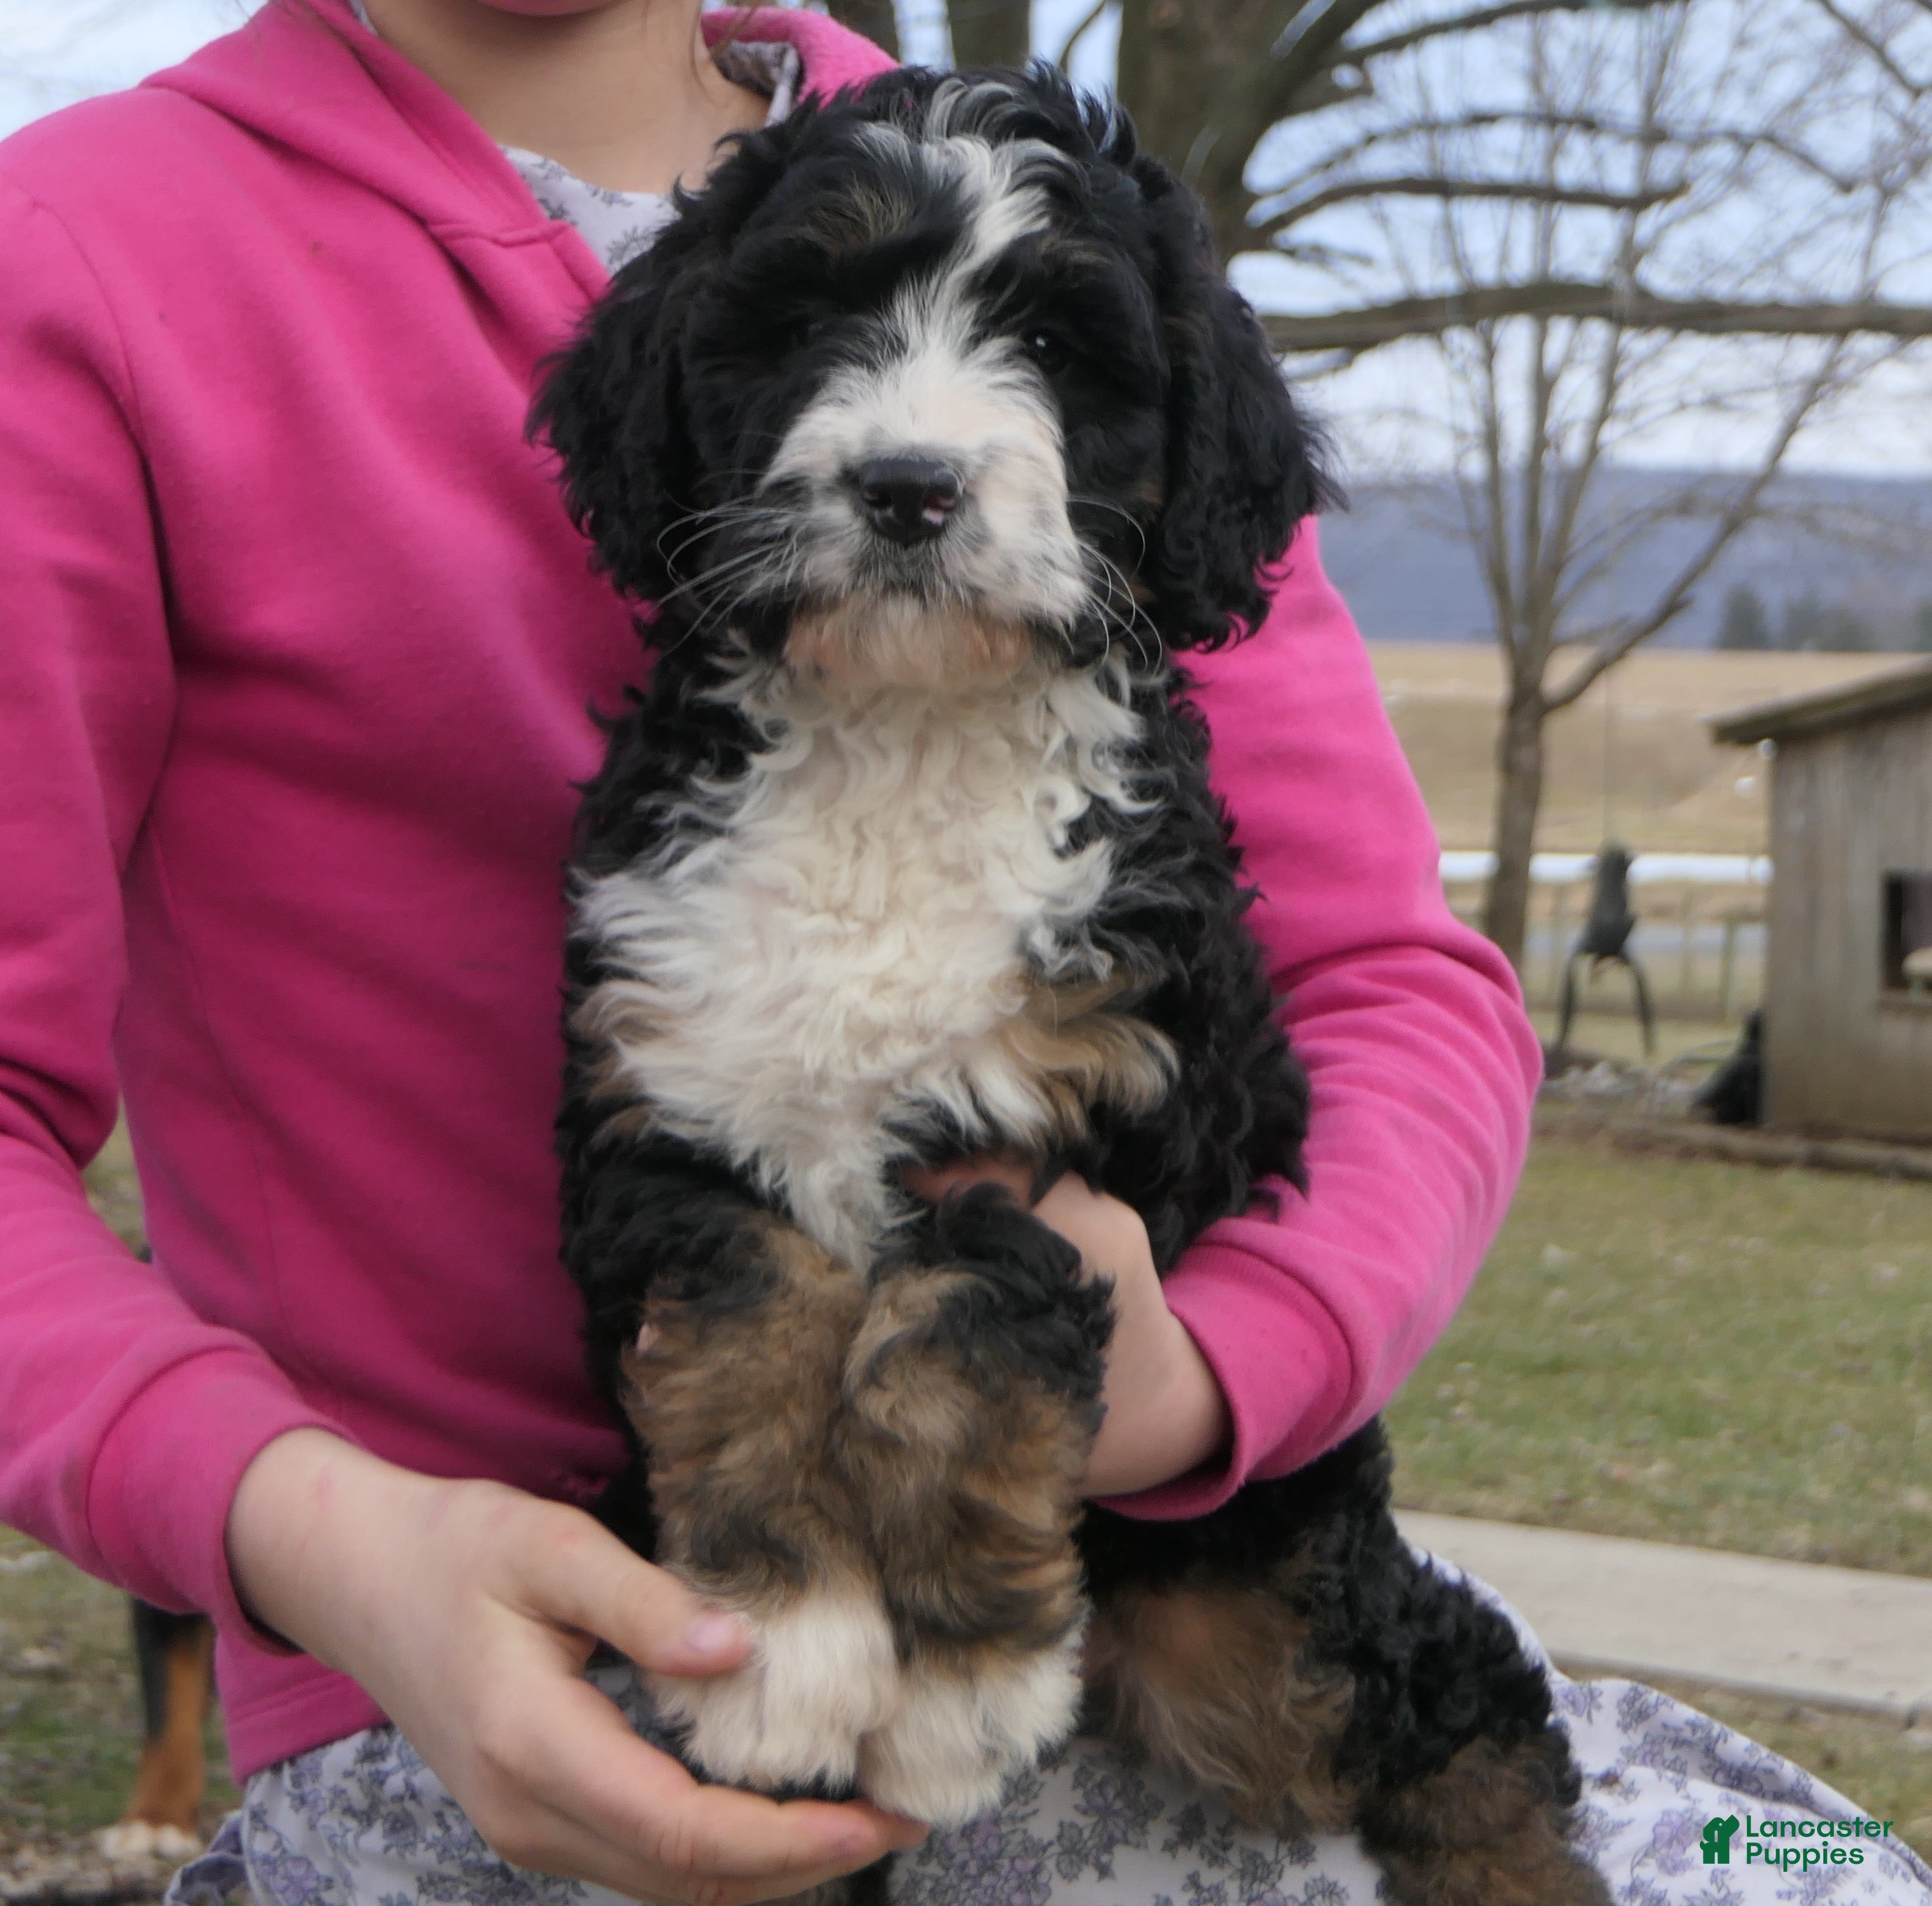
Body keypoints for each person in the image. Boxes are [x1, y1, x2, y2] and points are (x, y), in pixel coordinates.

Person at [0, 4, 1924, 1904]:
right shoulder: (82, 253)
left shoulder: (1067, 209)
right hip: (518, 1685)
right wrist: (325, 1544)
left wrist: (1201, 1379)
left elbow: (1391, 985)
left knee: (1815, 1865)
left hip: (1217, 1574)